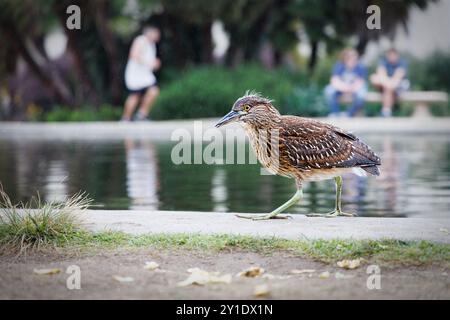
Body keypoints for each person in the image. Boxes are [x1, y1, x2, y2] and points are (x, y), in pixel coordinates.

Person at [122, 25, 161, 121]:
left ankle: (141, 115)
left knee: (153, 91)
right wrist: (149, 63)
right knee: (135, 96)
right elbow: (134, 55)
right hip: (135, 75)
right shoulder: (141, 40)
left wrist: (154, 64)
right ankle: (126, 118)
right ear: (150, 33)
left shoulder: (151, 44)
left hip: (145, 75)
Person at [325, 48, 368, 117]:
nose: (352, 59)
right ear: (345, 58)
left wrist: (351, 88)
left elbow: (360, 82)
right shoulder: (339, 66)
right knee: (329, 91)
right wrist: (345, 87)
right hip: (342, 88)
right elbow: (334, 80)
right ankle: (335, 113)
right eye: (350, 58)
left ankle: (349, 114)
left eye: (354, 57)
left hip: (354, 88)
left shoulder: (360, 67)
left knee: (361, 95)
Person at [370, 48, 409, 117]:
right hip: (387, 84)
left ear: (397, 56)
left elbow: (398, 76)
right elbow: (381, 72)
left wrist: (387, 82)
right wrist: (387, 83)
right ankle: (386, 111)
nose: (392, 57)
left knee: (389, 86)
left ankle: (386, 111)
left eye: (393, 55)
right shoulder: (383, 61)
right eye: (390, 55)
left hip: (400, 85)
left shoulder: (402, 62)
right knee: (374, 77)